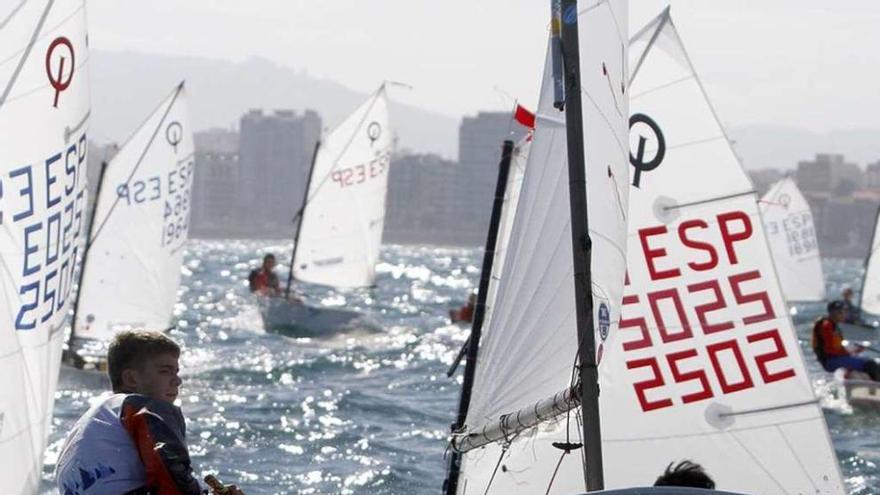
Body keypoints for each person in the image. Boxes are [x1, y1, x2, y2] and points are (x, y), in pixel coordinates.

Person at [55, 330, 245, 495]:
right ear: (131, 378)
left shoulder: (90, 422)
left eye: (176, 372)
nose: (177, 381)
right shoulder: (141, 406)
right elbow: (170, 475)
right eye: (165, 371)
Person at [812, 301, 880, 380]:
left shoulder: (833, 325)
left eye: (844, 312)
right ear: (831, 313)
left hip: (835, 359)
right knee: (870, 364)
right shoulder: (826, 326)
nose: (843, 315)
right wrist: (848, 353)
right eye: (839, 312)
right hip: (830, 361)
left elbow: (836, 348)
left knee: (869, 362)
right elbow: (829, 350)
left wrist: (854, 351)